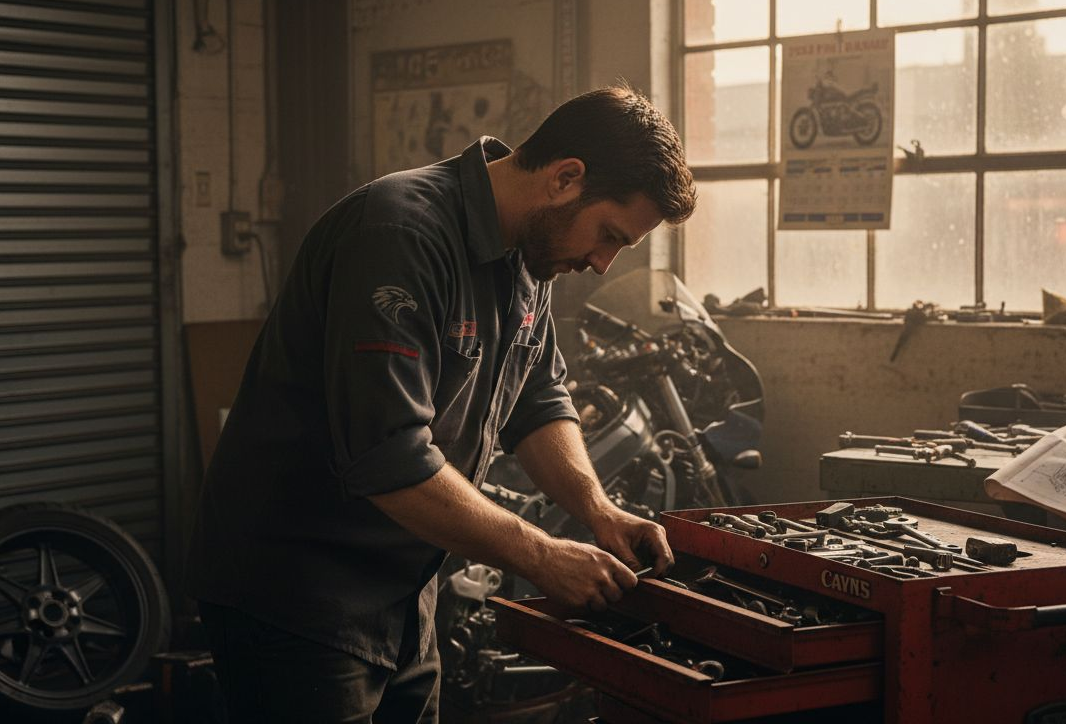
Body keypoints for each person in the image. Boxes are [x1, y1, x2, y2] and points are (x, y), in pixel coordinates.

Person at [185, 86, 697, 723]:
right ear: (566, 179)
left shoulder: (528, 258)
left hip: (404, 585)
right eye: (610, 236)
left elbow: (538, 399)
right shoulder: (400, 235)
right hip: (296, 592)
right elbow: (389, 458)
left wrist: (597, 510)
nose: (602, 263)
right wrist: (540, 555)